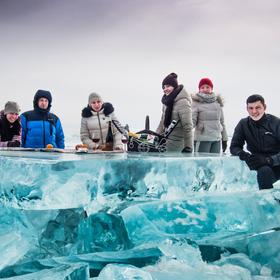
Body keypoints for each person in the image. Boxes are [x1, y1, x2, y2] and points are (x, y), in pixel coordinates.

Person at [230, 94, 280, 190]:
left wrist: (269, 160)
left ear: (264, 107)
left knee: (265, 171)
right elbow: (234, 146)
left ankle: (270, 202)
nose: (254, 111)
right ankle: (264, 201)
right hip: (259, 164)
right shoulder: (243, 124)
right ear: (247, 109)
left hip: (277, 163)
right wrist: (242, 154)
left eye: (258, 107)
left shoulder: (276, 123)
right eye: (251, 108)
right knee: (263, 172)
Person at [156, 73, 193, 152]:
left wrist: (189, 147)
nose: (165, 89)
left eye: (168, 86)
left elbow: (188, 126)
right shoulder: (167, 102)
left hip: (178, 144)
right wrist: (156, 136)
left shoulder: (183, 102)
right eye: (164, 87)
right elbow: (162, 122)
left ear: (174, 86)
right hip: (166, 142)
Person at [192, 78, 228, 153]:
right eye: (202, 87)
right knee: (201, 163)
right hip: (202, 139)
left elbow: (222, 122)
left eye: (207, 87)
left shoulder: (218, 104)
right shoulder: (196, 103)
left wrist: (224, 139)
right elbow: (192, 122)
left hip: (216, 139)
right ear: (199, 89)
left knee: (214, 164)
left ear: (211, 88)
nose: (205, 89)